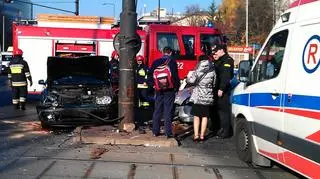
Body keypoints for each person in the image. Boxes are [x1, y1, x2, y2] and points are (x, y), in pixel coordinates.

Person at [148, 46, 180, 138]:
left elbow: (150, 75)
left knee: (157, 109)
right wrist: (176, 88)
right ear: (170, 53)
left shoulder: (156, 62)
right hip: (169, 90)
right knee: (168, 110)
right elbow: (175, 77)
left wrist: (153, 85)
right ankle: (167, 132)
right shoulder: (172, 62)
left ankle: (155, 131)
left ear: (163, 52)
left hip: (158, 89)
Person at [187, 54, 216, 142]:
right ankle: (202, 136)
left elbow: (191, 81)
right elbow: (214, 83)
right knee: (205, 116)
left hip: (198, 96)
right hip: (208, 96)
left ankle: (196, 136)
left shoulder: (198, 70)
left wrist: (188, 78)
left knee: (196, 117)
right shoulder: (212, 70)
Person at [211, 44, 234, 139]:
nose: (214, 53)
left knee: (224, 112)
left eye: (216, 51)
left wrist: (221, 88)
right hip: (217, 88)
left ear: (221, 50)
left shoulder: (227, 60)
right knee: (218, 110)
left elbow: (226, 76)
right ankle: (221, 129)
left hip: (222, 90)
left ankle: (226, 131)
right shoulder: (220, 60)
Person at [135, 55, 151, 134]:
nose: (139, 62)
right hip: (137, 86)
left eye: (140, 60)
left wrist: (146, 81)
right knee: (138, 99)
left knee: (144, 99)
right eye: (138, 60)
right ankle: (140, 108)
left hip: (143, 86)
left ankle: (145, 109)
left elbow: (148, 75)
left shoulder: (145, 67)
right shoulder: (135, 67)